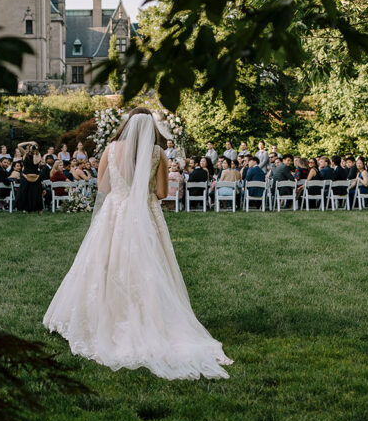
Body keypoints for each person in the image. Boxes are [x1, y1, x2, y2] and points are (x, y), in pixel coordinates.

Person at [43, 107, 232, 379]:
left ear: (127, 124)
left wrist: (122, 188)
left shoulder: (111, 148)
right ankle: (150, 317)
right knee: (149, 265)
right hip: (144, 214)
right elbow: (162, 192)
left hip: (114, 213)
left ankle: (99, 317)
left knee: (103, 262)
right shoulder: (157, 153)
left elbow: (103, 186)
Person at [13, 142, 45, 212]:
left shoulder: (38, 154)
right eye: (31, 146)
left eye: (34, 146)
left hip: (35, 176)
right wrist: (29, 142)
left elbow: (35, 162)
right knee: (24, 192)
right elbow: (19, 145)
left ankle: (35, 208)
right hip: (25, 175)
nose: (32, 147)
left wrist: (34, 152)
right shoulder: (24, 154)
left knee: (35, 193)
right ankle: (24, 208)